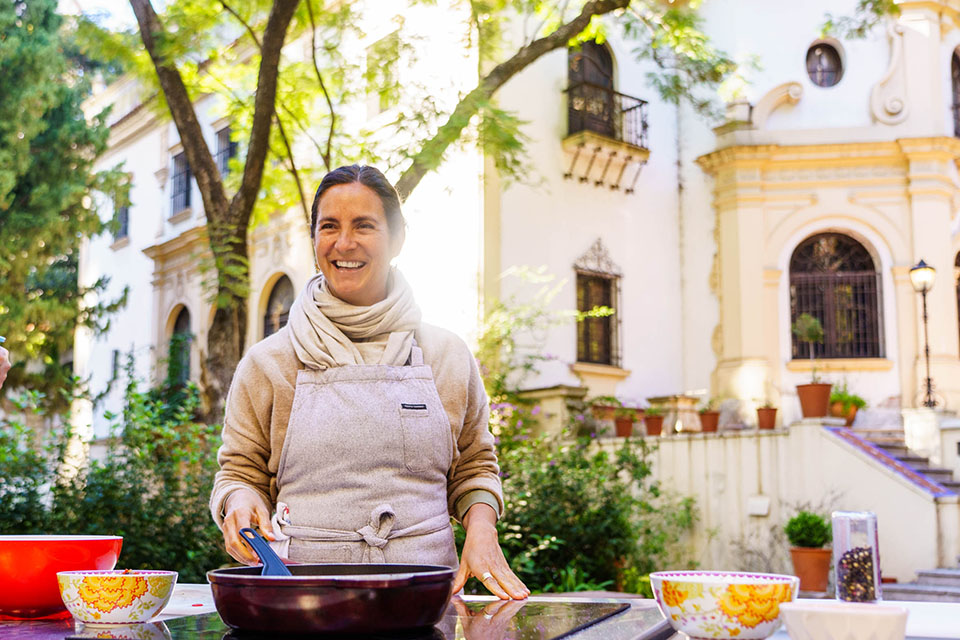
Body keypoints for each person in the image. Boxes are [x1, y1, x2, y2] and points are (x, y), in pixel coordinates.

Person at [210, 164, 529, 600]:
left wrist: (482, 530)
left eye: (364, 225)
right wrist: (239, 502)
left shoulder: (446, 356)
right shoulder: (269, 363)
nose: (344, 243)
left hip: (427, 600)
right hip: (304, 604)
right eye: (329, 227)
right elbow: (240, 472)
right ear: (315, 239)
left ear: (397, 239)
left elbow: (473, 466)